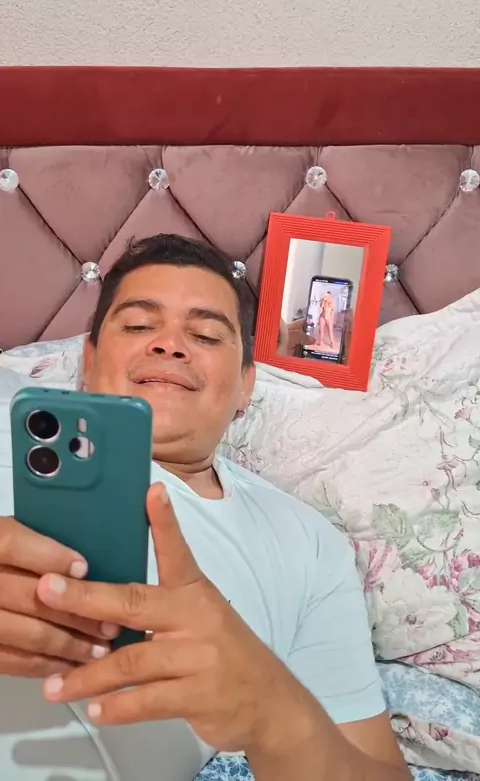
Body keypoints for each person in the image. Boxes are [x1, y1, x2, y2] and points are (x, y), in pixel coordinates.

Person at [0, 235, 409, 781]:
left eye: (206, 335)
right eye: (138, 325)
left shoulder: (308, 544)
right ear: (88, 362)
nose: (169, 345)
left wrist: (274, 714)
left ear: (245, 387)